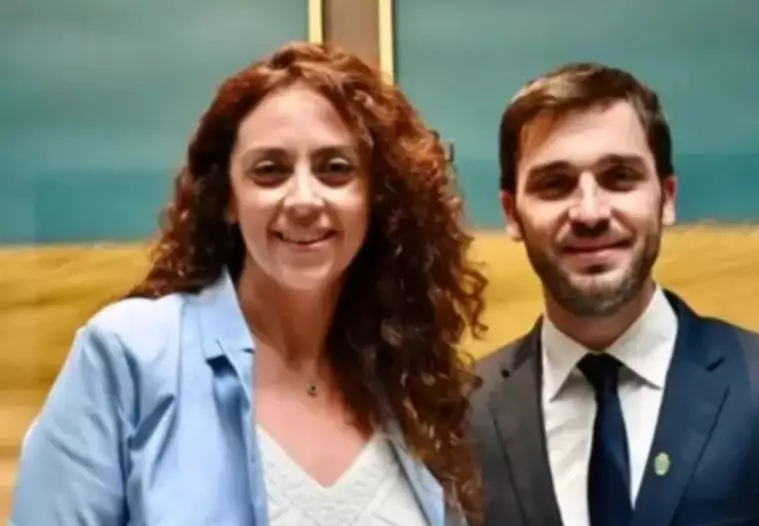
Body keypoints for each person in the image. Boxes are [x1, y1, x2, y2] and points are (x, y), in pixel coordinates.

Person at [12, 41, 486, 526]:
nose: (303, 199)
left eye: (335, 169)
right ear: (227, 199)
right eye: (270, 171)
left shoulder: (407, 383)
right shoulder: (130, 357)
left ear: (377, 198)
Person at [469, 62, 759, 526]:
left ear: (666, 198)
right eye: (554, 185)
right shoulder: (458, 420)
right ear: (511, 213)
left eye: (619, 177)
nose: (589, 213)